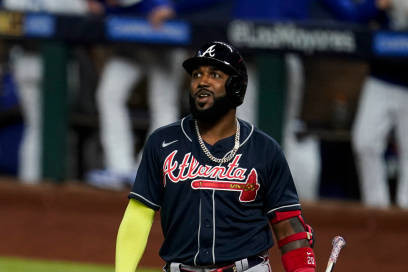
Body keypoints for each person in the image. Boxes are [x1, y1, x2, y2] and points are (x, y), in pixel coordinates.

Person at [115, 41, 316, 272]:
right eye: (197, 74)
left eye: (215, 74)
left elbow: (289, 226)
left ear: (236, 87)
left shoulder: (265, 149)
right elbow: (139, 214)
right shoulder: (162, 142)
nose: (202, 80)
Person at [85, 0, 187, 190]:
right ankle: (119, 167)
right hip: (132, 33)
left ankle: (148, 171)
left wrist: (174, 6)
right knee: (109, 94)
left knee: (164, 103)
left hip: (167, 33)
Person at [2, 0, 103, 183]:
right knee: (56, 125)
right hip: (58, 64)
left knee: (34, 126)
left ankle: (30, 181)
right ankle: (51, 183)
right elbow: (91, 14)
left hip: (25, 62)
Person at [321, 0, 408, 208]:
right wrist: (379, 5)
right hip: (380, 76)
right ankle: (377, 209)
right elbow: (355, 18)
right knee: (365, 141)